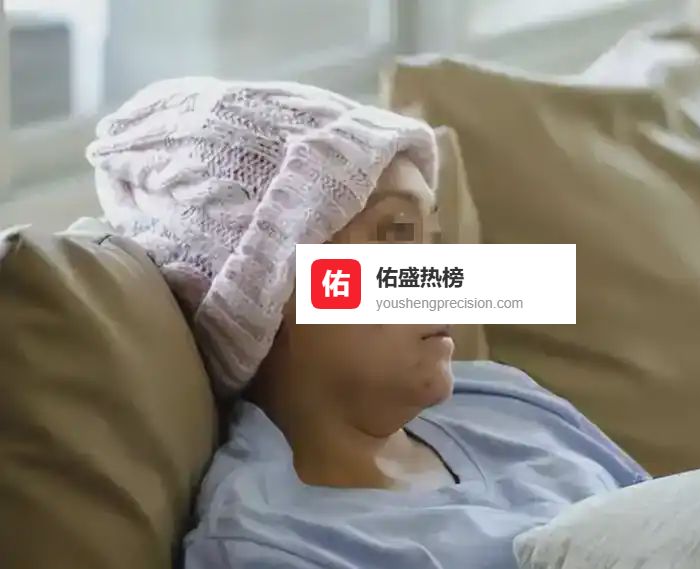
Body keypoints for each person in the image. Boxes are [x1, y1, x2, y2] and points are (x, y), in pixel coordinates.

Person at [87, 77, 649, 569]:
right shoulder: (276, 547)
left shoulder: (510, 399)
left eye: (433, 240)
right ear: (270, 290)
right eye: (397, 236)